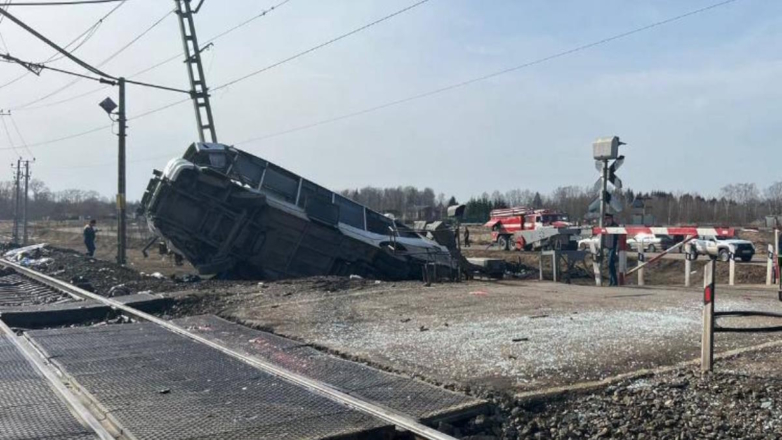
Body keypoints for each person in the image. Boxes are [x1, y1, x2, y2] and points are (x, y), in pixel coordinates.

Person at [604, 214, 618, 286]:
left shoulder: (615, 226)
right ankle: (612, 281)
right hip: (608, 247)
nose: (606, 220)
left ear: (611, 218)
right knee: (610, 264)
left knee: (610, 263)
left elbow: (617, 238)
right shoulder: (606, 226)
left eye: (607, 218)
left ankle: (614, 281)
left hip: (613, 246)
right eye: (605, 219)